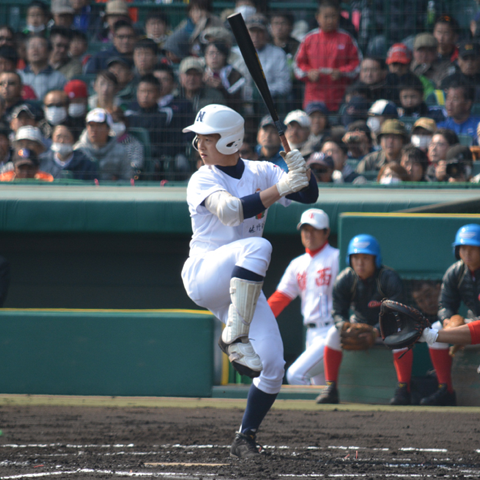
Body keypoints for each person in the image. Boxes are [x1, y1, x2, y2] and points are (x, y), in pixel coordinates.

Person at [181, 104, 318, 458]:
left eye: (206, 138)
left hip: (243, 286)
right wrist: (282, 186)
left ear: (228, 141)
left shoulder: (262, 170)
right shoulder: (203, 177)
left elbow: (308, 195)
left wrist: (300, 167)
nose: (199, 144)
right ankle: (235, 338)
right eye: (198, 138)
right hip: (206, 273)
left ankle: (245, 437)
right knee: (258, 245)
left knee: (273, 365)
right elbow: (229, 212)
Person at [315, 234, 410, 406]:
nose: (360, 263)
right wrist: (343, 325)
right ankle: (331, 388)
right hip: (357, 327)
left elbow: (398, 313)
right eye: (356, 257)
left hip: (385, 328)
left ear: (376, 259)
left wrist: (376, 331)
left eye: (366, 258)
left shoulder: (388, 277)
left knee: (402, 336)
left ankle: (404, 389)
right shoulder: (346, 278)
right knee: (332, 335)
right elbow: (337, 310)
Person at [268, 209, 339, 387]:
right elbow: (280, 298)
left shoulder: (336, 257)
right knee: (322, 389)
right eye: (305, 229)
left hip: (331, 331)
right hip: (311, 334)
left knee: (296, 375)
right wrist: (256, 321)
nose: (309, 234)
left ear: (326, 232)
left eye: (314, 229)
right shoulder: (297, 264)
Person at [419, 224, 480, 406]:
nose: (467, 253)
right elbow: (445, 305)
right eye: (463, 248)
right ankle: (445, 388)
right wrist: (449, 324)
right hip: (474, 320)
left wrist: (464, 334)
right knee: (436, 328)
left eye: (472, 248)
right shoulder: (456, 272)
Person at [294, 0, 361, 112]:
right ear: (317, 17)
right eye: (326, 16)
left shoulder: (347, 39)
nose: (330, 20)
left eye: (333, 16)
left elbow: (357, 65)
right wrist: (309, 73)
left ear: (338, 17)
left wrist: (342, 72)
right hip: (313, 101)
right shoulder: (309, 39)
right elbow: (297, 65)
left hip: (340, 100)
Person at [235, 14, 291, 116]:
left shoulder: (277, 53)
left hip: (267, 105)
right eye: (252, 31)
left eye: (259, 32)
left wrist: (262, 90)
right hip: (241, 104)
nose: (256, 36)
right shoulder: (236, 53)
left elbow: (285, 85)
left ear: (266, 33)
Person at [74, 108, 131, 181]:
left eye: (99, 126)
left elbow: (127, 178)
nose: (94, 130)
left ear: (108, 128)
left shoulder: (120, 151)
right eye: (91, 125)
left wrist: (114, 184)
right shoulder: (78, 150)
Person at [19, 34, 67, 101]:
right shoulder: (18, 76)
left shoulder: (59, 78)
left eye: (40, 45)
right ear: (26, 52)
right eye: (31, 46)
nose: (35, 49)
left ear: (49, 52)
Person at [203, 41, 245, 113]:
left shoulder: (235, 75)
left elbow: (237, 103)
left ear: (224, 56)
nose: (214, 56)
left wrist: (221, 88)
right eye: (211, 53)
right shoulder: (199, 73)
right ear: (205, 56)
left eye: (218, 53)